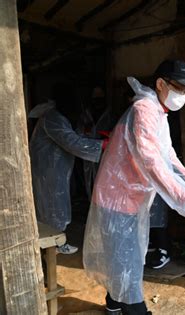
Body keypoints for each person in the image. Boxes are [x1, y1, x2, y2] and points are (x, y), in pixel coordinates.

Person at [82, 59, 185, 315]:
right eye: (180, 88)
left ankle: (113, 305)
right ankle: (135, 310)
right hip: (117, 200)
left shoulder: (158, 112)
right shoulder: (144, 109)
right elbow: (152, 161)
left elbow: (167, 154)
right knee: (128, 264)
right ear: (160, 84)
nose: (184, 95)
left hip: (128, 198)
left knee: (123, 258)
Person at [29, 82, 106, 254]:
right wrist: (102, 145)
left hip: (54, 169)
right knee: (52, 205)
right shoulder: (52, 117)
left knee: (56, 203)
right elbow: (72, 142)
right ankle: (53, 245)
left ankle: (55, 242)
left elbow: (74, 135)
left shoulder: (58, 116)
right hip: (47, 171)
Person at [77, 86, 117, 200]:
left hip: (106, 154)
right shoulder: (86, 115)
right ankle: (91, 204)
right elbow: (78, 134)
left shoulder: (110, 115)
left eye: (100, 98)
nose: (98, 101)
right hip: (88, 154)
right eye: (95, 98)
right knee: (89, 181)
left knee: (105, 182)